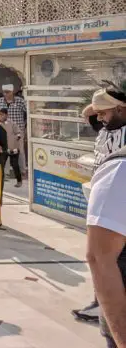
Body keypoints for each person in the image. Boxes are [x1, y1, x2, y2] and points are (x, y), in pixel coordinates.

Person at [74, 85, 126, 325]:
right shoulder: (107, 126)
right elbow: (87, 113)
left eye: (105, 112)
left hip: (119, 205)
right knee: (101, 258)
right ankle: (101, 304)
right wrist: (100, 102)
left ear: (120, 109)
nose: (100, 117)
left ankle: (108, 311)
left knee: (108, 259)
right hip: (103, 197)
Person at [0, 83, 27, 168]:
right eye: (4, 92)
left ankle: (22, 171)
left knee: (20, 151)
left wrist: (25, 126)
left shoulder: (20, 101)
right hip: (4, 130)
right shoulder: (0, 101)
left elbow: (28, 113)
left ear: (12, 92)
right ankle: (5, 173)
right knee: (5, 151)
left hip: (18, 130)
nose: (5, 94)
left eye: (7, 92)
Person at [0, 108, 23, 187]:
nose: (0, 116)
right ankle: (0, 181)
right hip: (3, 149)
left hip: (13, 148)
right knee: (1, 165)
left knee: (15, 165)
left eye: (2, 114)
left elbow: (19, 133)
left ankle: (19, 181)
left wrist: (17, 138)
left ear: (6, 115)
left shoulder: (12, 123)